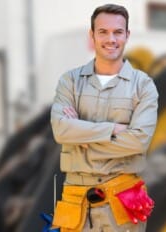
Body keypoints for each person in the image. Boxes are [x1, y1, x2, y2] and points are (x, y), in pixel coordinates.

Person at [50, 4, 158, 232]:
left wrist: (80, 141)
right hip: (75, 202)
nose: (111, 39)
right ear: (92, 36)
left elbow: (139, 142)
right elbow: (61, 130)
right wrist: (112, 129)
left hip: (122, 201)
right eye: (103, 32)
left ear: (127, 35)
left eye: (118, 32)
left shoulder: (144, 86)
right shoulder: (69, 81)